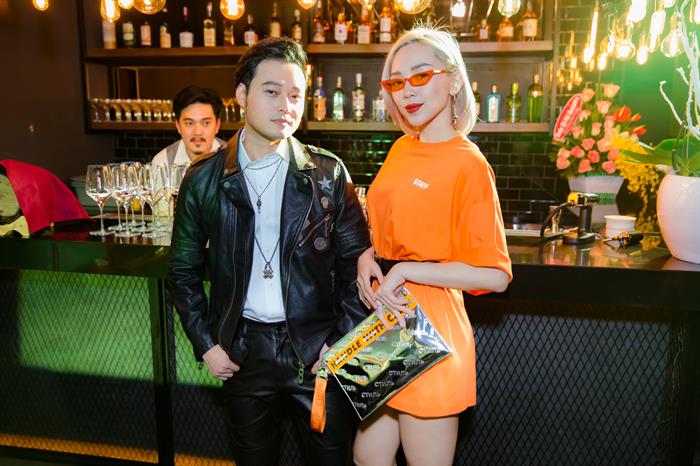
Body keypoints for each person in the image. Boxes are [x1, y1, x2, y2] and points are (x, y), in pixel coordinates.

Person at [167, 37, 370, 466]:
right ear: (242, 94)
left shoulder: (327, 174)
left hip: (317, 352)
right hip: (242, 353)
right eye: (272, 91)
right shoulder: (203, 179)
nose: (286, 106)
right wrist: (206, 344)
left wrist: (340, 343)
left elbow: (358, 265)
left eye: (295, 95)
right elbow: (182, 270)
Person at [352, 27, 513, 466]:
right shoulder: (401, 148)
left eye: (421, 75)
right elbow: (384, 227)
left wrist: (407, 270)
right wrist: (368, 257)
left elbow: (496, 275)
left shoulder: (469, 163)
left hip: (431, 328)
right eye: (396, 81)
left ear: (454, 79)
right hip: (386, 323)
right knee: (367, 457)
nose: (407, 91)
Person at [151, 85, 227, 173]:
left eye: (206, 123)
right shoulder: (162, 163)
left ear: (217, 125)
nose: (197, 132)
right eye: (189, 123)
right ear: (178, 126)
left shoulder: (232, 159)